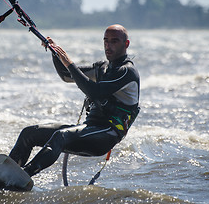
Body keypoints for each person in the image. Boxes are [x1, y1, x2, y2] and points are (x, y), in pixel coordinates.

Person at [9, 24, 140, 177]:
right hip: (90, 128)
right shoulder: (102, 68)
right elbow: (66, 75)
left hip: (106, 135)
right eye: (105, 41)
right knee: (29, 134)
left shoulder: (127, 72)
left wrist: (68, 61)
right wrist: (55, 52)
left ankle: (21, 176)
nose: (108, 46)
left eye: (114, 41)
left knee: (60, 136)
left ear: (126, 44)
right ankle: (5, 172)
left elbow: (94, 92)